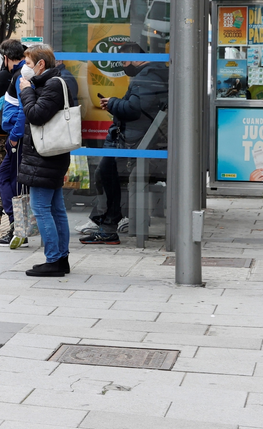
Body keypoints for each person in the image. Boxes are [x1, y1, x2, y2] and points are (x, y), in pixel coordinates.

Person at [83, 44, 169, 245]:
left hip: (137, 144)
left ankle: (108, 225)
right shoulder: (152, 73)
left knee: (105, 172)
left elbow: (134, 109)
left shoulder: (146, 76)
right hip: (141, 141)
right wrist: (114, 102)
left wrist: (113, 103)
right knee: (104, 172)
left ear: (135, 57)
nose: (123, 66)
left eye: (124, 61)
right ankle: (106, 222)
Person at [17, 44, 78, 277]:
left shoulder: (52, 84)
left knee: (41, 208)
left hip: (45, 157)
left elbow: (36, 115)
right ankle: (61, 259)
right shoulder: (53, 82)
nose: (25, 68)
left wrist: (26, 90)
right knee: (56, 209)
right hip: (51, 156)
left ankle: (53, 260)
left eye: (29, 64)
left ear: (41, 64)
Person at [0, 40, 26, 240]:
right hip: (15, 138)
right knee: (6, 179)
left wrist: (13, 138)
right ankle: (16, 225)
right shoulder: (19, 75)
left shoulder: (20, 77)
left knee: (8, 180)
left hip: (15, 139)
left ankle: (16, 226)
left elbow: (23, 111)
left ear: (6, 58)